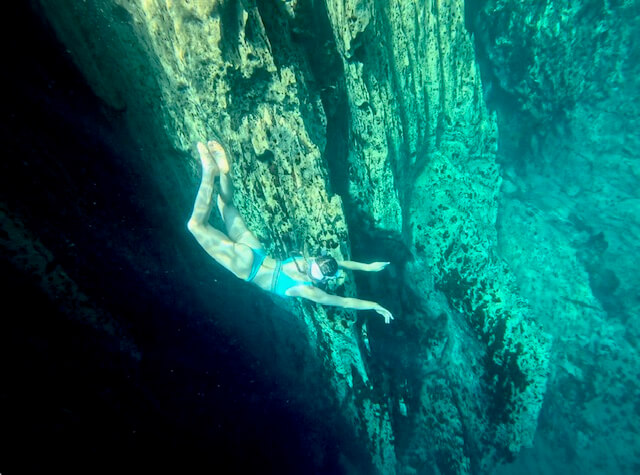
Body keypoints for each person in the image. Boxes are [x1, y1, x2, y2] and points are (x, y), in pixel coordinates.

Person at [187, 140, 394, 324]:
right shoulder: (307, 289)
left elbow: (342, 264)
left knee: (226, 203)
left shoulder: (309, 260)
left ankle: (224, 173)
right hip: (247, 267)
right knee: (196, 226)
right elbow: (345, 302)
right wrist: (375, 305)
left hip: (256, 249)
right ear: (322, 279)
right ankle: (210, 172)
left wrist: (368, 267)